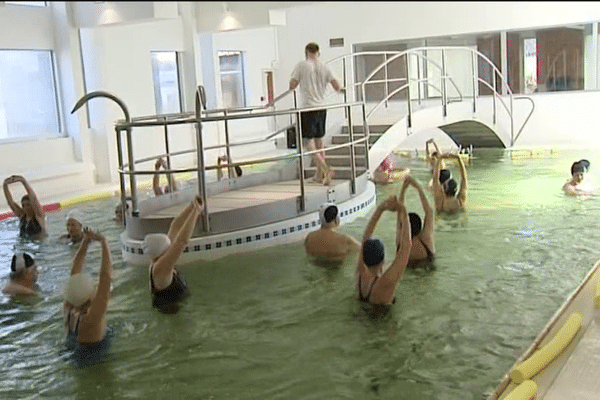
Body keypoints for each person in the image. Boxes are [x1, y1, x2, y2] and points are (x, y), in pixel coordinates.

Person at [289, 42, 344, 186]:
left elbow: (292, 85)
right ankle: (319, 175)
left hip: (308, 108)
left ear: (306, 52)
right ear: (318, 53)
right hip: (322, 108)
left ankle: (326, 169)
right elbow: (337, 86)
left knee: (307, 142)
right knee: (319, 142)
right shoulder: (324, 66)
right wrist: (342, 89)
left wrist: (300, 82)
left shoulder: (302, 65)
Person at [144, 195, 203, 314]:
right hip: (171, 317)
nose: (172, 248)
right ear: (164, 251)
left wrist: (192, 206)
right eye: (169, 247)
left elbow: (175, 226)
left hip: (178, 309)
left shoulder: (158, 257)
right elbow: (182, 242)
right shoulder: (160, 267)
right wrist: (196, 212)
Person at [63, 228, 113, 364]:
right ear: (90, 296)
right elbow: (105, 279)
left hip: (72, 351)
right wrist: (104, 242)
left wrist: (85, 242)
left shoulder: (69, 307)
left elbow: (75, 270)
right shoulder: (93, 318)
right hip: (93, 362)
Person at [355, 196, 411, 306]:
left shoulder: (360, 272)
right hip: (382, 322)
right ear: (383, 259)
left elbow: (365, 237)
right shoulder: (385, 282)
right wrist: (403, 211)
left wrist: (380, 209)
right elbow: (406, 247)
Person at [398, 176, 435, 268]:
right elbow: (429, 212)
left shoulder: (400, 240)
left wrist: (403, 189)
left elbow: (400, 211)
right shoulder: (426, 239)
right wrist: (418, 187)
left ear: (404, 228)